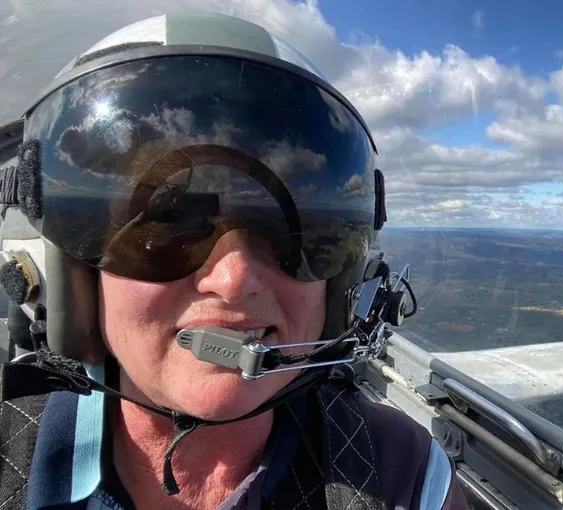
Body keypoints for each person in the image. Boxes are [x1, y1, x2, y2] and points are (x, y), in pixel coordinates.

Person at [0, 11, 469, 510]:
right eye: (170, 221)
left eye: (294, 231)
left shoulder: (403, 476)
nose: (235, 279)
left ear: (337, 291)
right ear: (78, 275)